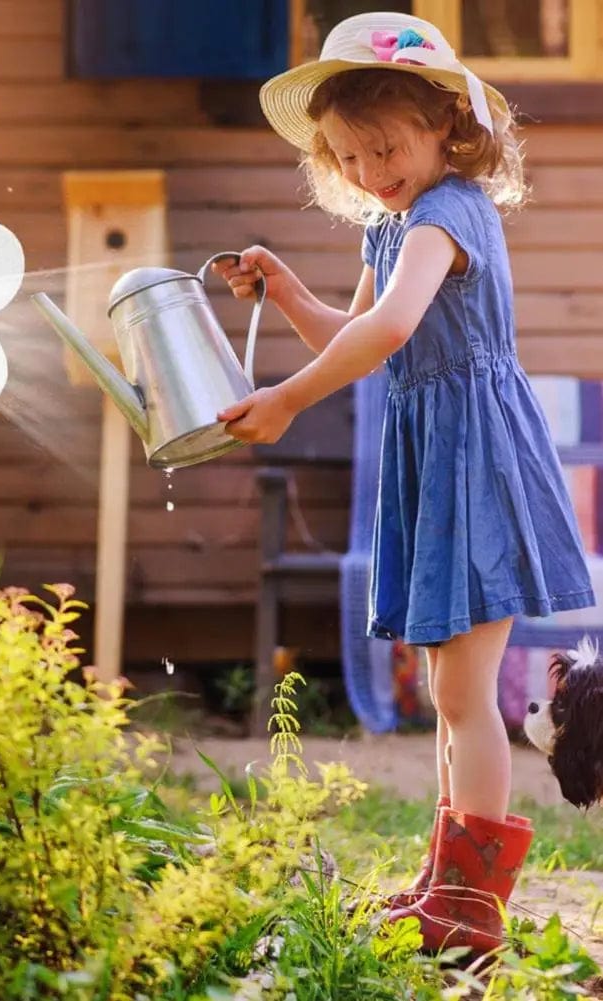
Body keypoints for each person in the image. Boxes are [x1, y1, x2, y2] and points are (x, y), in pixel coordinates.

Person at [213, 11, 595, 955]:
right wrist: (286, 289)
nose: (367, 169)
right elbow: (357, 333)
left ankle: (472, 912)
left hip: (476, 462)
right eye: (346, 156)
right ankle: (444, 881)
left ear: (446, 128)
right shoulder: (392, 228)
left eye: (383, 146)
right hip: (434, 461)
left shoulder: (449, 212)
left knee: (466, 693)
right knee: (443, 685)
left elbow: (385, 332)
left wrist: (289, 400)